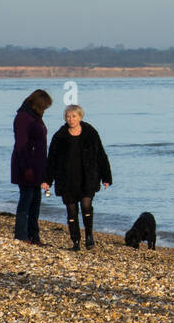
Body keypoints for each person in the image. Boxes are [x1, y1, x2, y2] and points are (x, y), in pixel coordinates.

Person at [42, 104, 112, 250]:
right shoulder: (59, 136)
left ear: (80, 117)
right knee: (72, 212)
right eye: (68, 116)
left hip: (87, 178)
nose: (71, 119)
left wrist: (106, 177)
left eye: (74, 116)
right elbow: (51, 161)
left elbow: (101, 155)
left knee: (86, 206)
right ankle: (75, 241)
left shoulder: (90, 133)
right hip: (67, 181)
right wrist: (47, 180)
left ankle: (89, 236)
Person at [11, 89, 52, 244]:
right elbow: (21, 144)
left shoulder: (35, 117)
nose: (46, 110)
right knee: (26, 201)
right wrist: (26, 167)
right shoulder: (23, 117)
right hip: (27, 166)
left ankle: (34, 235)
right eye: (45, 106)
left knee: (35, 202)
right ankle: (21, 235)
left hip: (38, 166)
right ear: (38, 104)